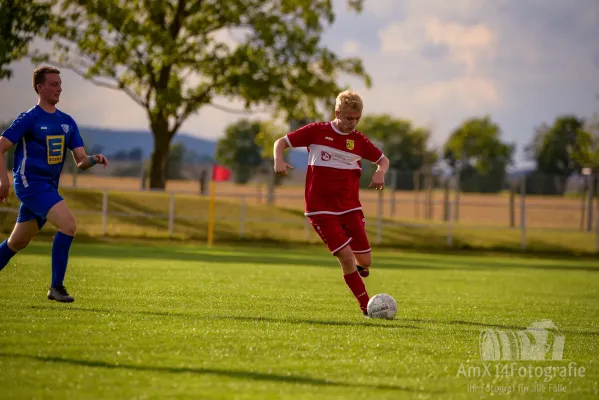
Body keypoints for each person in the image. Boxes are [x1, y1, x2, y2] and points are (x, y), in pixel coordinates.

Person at [273, 90, 389, 316]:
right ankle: (367, 307)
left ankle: (358, 270)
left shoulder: (359, 140)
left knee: (365, 260)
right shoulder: (317, 131)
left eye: (357, 119)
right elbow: (281, 142)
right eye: (348, 118)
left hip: (350, 208)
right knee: (346, 257)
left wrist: (380, 172)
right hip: (320, 210)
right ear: (337, 113)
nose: (352, 123)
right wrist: (279, 159)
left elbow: (383, 160)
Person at [0, 66, 108, 302]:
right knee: (68, 224)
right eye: (53, 84)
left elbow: (80, 160)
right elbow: (1, 146)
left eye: (60, 84)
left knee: (17, 242)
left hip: (48, 187)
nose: (59, 88)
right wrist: (4, 181)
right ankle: (56, 287)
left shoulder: (67, 121)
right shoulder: (29, 118)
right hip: (30, 184)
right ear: (39, 87)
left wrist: (93, 159)